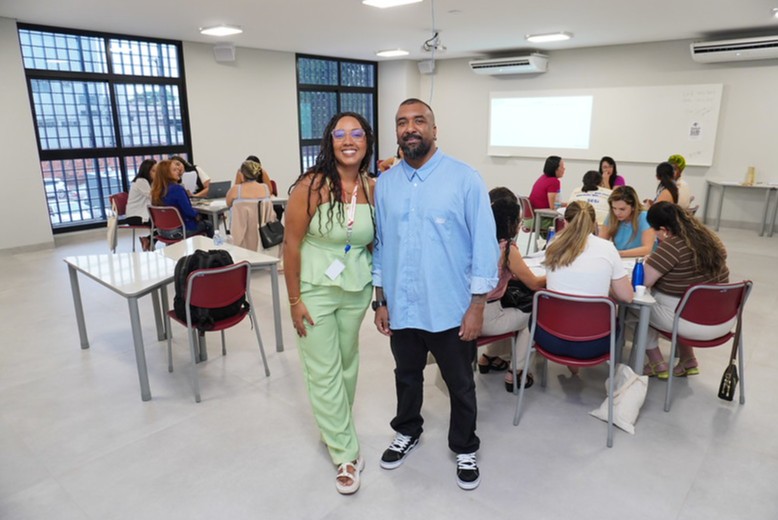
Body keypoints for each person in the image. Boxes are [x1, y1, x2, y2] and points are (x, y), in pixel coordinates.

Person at [373, 98, 499, 491]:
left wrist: (477, 306)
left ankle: (464, 446)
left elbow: (484, 246)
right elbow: (381, 244)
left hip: (450, 308)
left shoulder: (464, 179)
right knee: (406, 376)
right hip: (403, 304)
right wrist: (381, 299)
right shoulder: (386, 184)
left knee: (459, 383)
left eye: (419, 121)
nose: (410, 128)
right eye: (402, 122)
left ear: (434, 129)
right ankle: (407, 430)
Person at [283, 112, 376, 495]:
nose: (349, 140)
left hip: (356, 288)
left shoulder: (372, 187)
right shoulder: (312, 186)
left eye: (357, 133)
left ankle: (334, 426)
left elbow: (371, 241)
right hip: (314, 290)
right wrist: (293, 300)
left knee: (348, 363)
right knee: (323, 369)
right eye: (341, 134)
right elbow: (289, 245)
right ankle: (346, 453)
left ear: (367, 141)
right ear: (330, 142)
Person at [639, 202, 731, 378]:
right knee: (683, 304)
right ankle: (688, 359)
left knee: (640, 307)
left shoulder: (672, 245)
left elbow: (644, 282)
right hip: (723, 318)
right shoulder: (709, 237)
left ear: (664, 229)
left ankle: (656, 362)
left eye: (654, 230)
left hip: (692, 323)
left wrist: (652, 261)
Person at [543, 201, 633, 363]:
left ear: (565, 221)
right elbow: (627, 297)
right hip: (594, 343)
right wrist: (608, 285)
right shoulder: (608, 248)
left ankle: (569, 364)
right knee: (617, 320)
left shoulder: (553, 245)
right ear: (593, 223)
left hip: (551, 338)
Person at [479, 196, 546, 392]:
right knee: (533, 316)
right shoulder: (507, 248)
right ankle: (516, 372)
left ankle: (489, 357)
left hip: (463, 314)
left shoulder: (478, 240)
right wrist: (552, 275)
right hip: (486, 318)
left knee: (509, 306)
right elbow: (533, 283)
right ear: (510, 223)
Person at [151, 159, 214, 238]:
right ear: (166, 174)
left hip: (162, 231)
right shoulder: (177, 189)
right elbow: (189, 212)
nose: (178, 171)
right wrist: (197, 214)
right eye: (174, 170)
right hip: (180, 231)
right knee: (209, 224)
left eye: (177, 169)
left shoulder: (156, 191)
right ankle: (213, 249)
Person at [227, 160, 272, 251]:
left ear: (241, 174)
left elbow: (228, 204)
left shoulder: (236, 190)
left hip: (240, 239)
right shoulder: (265, 188)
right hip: (264, 237)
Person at [599, 186, 656, 257]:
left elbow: (647, 249)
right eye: (614, 208)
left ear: (633, 207)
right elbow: (600, 242)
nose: (617, 213)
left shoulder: (644, 217)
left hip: (638, 259)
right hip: (619, 258)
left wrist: (619, 253)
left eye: (622, 209)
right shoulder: (612, 216)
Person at [124, 159, 156, 251]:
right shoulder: (141, 181)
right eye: (153, 171)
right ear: (146, 171)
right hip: (135, 216)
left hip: (141, 214)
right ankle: (149, 240)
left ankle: (148, 240)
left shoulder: (149, 182)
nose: (156, 173)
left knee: (164, 221)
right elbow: (154, 198)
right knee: (164, 222)